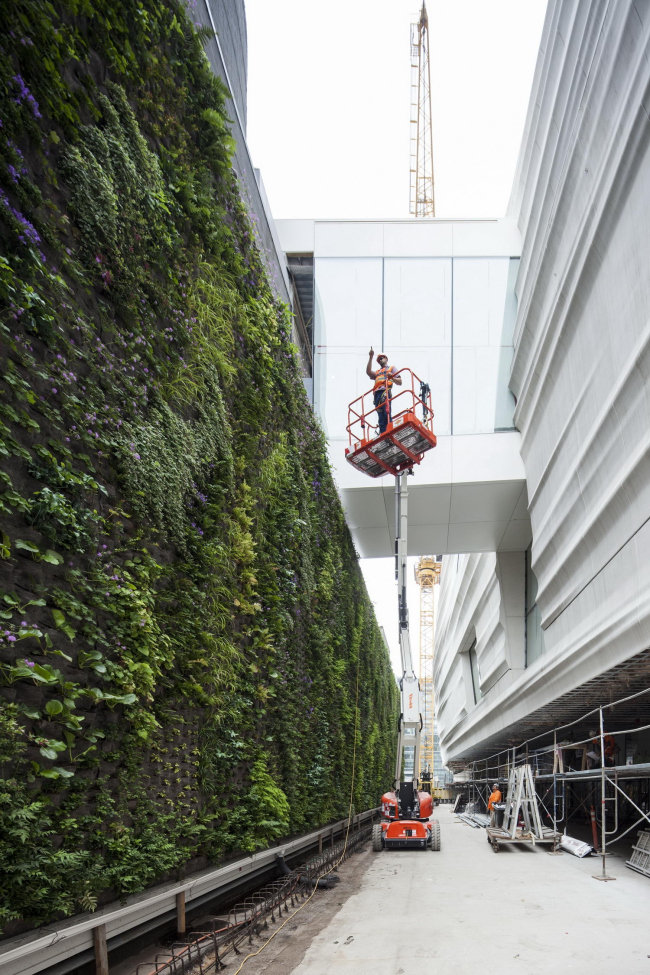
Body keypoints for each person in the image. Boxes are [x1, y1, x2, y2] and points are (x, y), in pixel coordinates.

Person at [366, 349, 402, 434]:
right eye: (379, 359)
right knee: (381, 418)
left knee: (387, 413)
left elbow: (400, 382)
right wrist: (371, 357)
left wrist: (392, 377)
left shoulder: (391, 368)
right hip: (377, 396)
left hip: (385, 392)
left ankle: (390, 432)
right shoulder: (378, 372)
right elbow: (368, 372)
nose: (381, 359)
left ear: (386, 359)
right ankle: (383, 434)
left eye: (382, 358)